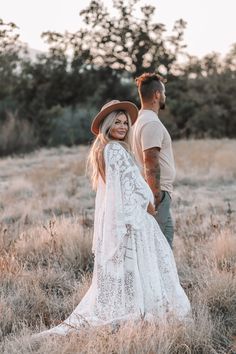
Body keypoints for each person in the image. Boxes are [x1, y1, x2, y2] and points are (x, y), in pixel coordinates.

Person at [34, 100, 190, 337]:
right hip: (133, 220)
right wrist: (147, 201)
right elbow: (130, 187)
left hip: (127, 219)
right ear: (107, 124)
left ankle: (137, 307)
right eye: (117, 122)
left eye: (125, 123)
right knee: (145, 265)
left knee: (135, 268)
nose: (123, 126)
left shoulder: (105, 149)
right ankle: (140, 310)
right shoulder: (114, 150)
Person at [132, 73, 176, 249]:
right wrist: (155, 197)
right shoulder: (151, 123)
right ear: (157, 95)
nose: (165, 96)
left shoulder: (139, 120)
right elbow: (150, 162)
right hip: (156, 193)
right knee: (160, 246)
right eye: (163, 92)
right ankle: (160, 277)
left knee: (165, 236)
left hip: (153, 192)